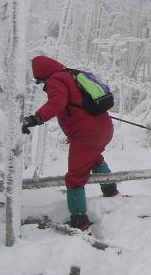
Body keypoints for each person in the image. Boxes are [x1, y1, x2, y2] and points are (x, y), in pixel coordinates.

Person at [22, 55, 118, 231]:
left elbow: (57, 104)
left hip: (87, 135)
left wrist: (35, 119)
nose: (42, 84)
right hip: (104, 128)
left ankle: (79, 220)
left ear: (43, 74)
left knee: (75, 177)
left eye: (40, 80)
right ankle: (111, 192)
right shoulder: (74, 74)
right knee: (94, 158)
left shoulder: (56, 80)